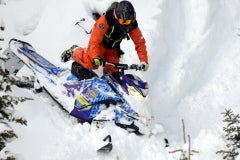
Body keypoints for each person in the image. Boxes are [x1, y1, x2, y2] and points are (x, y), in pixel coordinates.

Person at [61, 0, 149, 81]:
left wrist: (144, 61)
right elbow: (94, 40)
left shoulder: (132, 25)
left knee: (113, 75)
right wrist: (95, 56)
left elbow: (140, 42)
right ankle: (74, 51)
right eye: (123, 21)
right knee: (91, 62)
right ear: (116, 17)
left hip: (113, 48)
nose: (126, 24)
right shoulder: (106, 20)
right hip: (101, 44)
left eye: (129, 21)